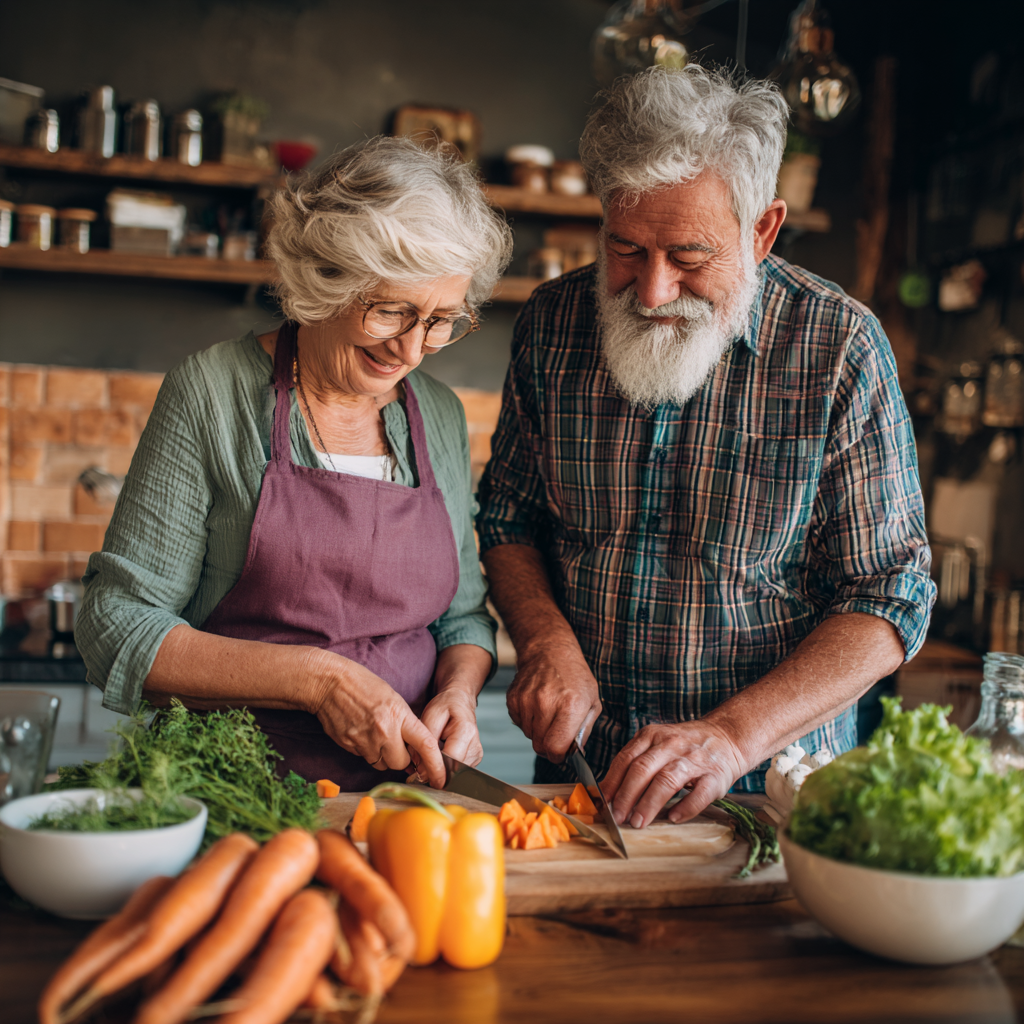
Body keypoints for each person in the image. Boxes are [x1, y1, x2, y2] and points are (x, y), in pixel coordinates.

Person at [477, 65, 935, 829]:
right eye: (625, 248)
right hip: (582, 779)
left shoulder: (840, 348)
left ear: (762, 229)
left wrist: (732, 735)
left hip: (770, 792)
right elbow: (509, 518)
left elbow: (889, 595)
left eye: (688, 256)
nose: (652, 292)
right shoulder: (552, 327)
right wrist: (544, 638)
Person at [77, 136, 513, 790]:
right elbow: (116, 623)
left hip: (403, 800)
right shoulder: (213, 392)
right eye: (391, 309)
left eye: (440, 320)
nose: (413, 347)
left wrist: (458, 691)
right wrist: (319, 680)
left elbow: (463, 617)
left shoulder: (440, 415)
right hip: (234, 794)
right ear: (328, 275)